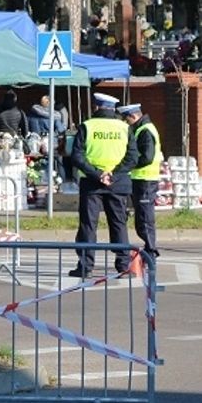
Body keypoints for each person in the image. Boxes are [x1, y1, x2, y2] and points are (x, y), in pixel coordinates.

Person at [69, 93, 138, 277]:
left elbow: (77, 156)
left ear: (97, 107)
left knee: (88, 225)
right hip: (118, 183)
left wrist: (98, 174)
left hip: (92, 183)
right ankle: (123, 266)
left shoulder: (88, 126)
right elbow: (133, 157)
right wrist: (113, 175)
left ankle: (86, 267)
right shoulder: (124, 128)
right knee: (118, 224)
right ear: (113, 109)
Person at [119, 103, 161, 259]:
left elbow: (147, 157)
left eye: (126, 118)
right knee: (142, 219)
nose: (125, 122)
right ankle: (149, 250)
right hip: (141, 179)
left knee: (144, 219)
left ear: (133, 116)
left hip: (146, 180)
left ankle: (151, 251)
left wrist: (131, 164)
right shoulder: (141, 128)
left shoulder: (145, 131)